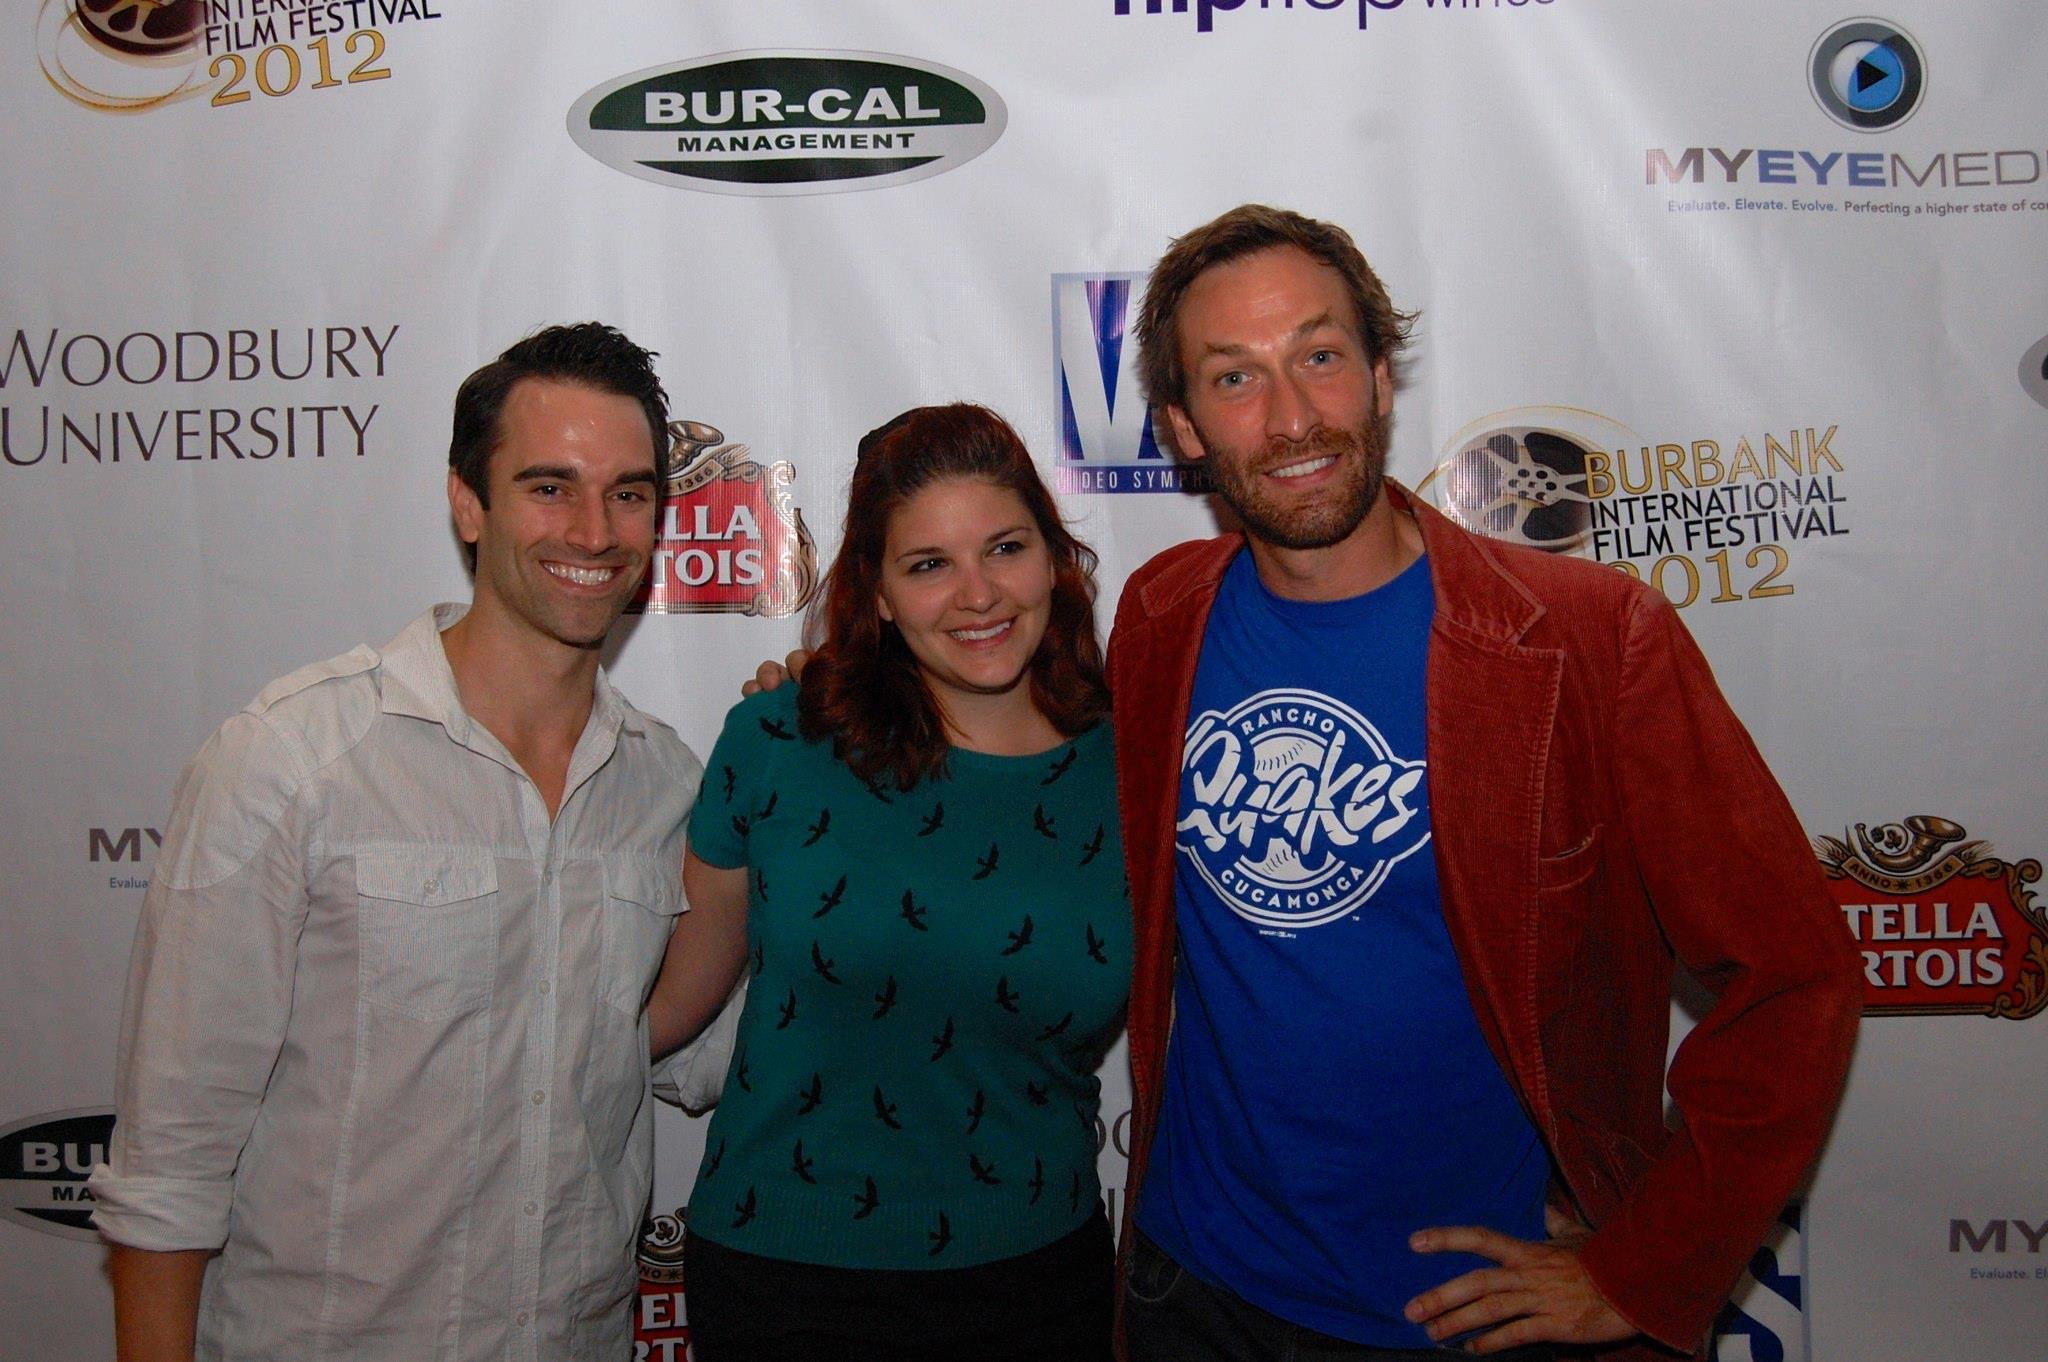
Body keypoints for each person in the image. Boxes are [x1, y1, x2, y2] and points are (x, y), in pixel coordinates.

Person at [1106, 205, 1864, 1361]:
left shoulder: (1585, 641)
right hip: (1196, 1292)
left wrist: (1648, 1263)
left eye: (1318, 356)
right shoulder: (1161, 614)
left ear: (1379, 377)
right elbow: (1009, 717)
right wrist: (836, 685)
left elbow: (1794, 974)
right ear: (1183, 427)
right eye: (1233, 378)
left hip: (1479, 1320)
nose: (1293, 417)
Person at [89, 323, 701, 1362]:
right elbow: (167, 1167)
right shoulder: (291, 761)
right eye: (548, 486)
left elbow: (725, 1042)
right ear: (468, 502)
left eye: (629, 493)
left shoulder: (668, 787)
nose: (594, 531)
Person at [646, 403, 1131, 1361]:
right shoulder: (778, 742)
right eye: (928, 565)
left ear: (1055, 560)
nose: (978, 595)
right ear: (874, 593)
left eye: (1006, 548)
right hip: (785, 1277)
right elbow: (663, 1009)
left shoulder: (1135, 770)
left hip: (1039, 1278)